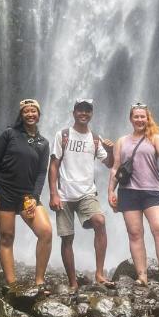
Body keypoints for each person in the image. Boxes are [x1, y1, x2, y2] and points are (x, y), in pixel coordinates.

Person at [108, 102, 159, 288]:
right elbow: (116, 167)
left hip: (152, 190)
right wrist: (110, 191)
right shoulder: (122, 141)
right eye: (136, 116)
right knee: (135, 233)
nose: (140, 119)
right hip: (128, 191)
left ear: (147, 118)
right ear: (131, 119)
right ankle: (142, 276)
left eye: (143, 116)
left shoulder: (154, 137)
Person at [48, 99, 115, 291]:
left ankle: (100, 274)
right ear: (74, 112)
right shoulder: (63, 135)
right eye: (80, 110)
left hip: (87, 192)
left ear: (91, 113)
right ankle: (72, 283)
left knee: (100, 221)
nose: (83, 113)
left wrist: (110, 150)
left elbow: (109, 163)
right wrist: (53, 194)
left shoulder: (95, 138)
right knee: (67, 238)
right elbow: (53, 165)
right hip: (64, 194)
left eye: (87, 110)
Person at [0, 98, 53, 290]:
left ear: (39, 115)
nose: (30, 114)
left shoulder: (43, 143)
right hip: (4, 191)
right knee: (7, 237)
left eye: (34, 111)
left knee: (46, 232)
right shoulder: (9, 134)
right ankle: (12, 283)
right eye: (26, 111)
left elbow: (42, 173)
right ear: (21, 114)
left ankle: (39, 280)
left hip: (27, 196)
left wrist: (34, 197)